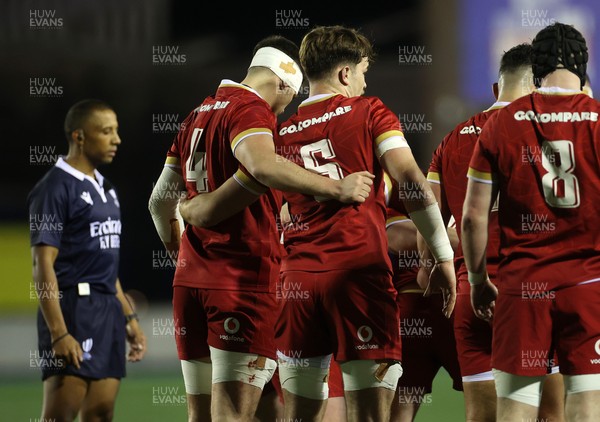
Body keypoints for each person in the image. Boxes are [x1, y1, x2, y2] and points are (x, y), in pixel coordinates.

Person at [148, 34, 374, 422]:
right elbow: (263, 166)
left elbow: (159, 203)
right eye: (292, 93)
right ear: (284, 81)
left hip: (191, 283)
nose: (288, 106)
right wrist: (337, 186)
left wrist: (181, 251)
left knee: (229, 412)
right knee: (232, 414)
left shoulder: (196, 115)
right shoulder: (250, 110)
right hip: (243, 282)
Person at [273, 25, 456, 422]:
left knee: (299, 416)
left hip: (297, 282)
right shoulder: (368, 110)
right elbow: (410, 181)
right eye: (362, 72)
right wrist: (441, 256)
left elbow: (279, 214)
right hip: (358, 276)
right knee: (370, 415)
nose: (363, 81)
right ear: (344, 74)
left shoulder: (278, 133)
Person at [463, 22, 600, 421]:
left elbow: (472, 217)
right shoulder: (597, 119)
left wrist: (476, 280)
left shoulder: (502, 123)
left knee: (516, 406)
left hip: (521, 285)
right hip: (588, 284)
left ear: (536, 68)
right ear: (583, 65)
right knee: (588, 400)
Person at [426, 42, 565, 421]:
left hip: (474, 294)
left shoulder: (449, 142)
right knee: (551, 414)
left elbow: (429, 219)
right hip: (533, 291)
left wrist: (434, 266)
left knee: (482, 417)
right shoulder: (546, 133)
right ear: (538, 88)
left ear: (494, 89)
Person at [28, 99, 146, 421]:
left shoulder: (107, 189)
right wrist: (59, 333)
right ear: (79, 136)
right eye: (106, 131)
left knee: (101, 413)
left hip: (107, 311)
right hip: (73, 311)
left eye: (116, 131)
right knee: (60, 415)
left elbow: (106, 265)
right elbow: (42, 266)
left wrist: (128, 317)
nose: (117, 139)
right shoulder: (53, 189)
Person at [384, 172, 463, 422]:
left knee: (488, 404)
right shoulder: (387, 193)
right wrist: (478, 241)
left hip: (449, 307)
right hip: (417, 311)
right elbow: (398, 237)